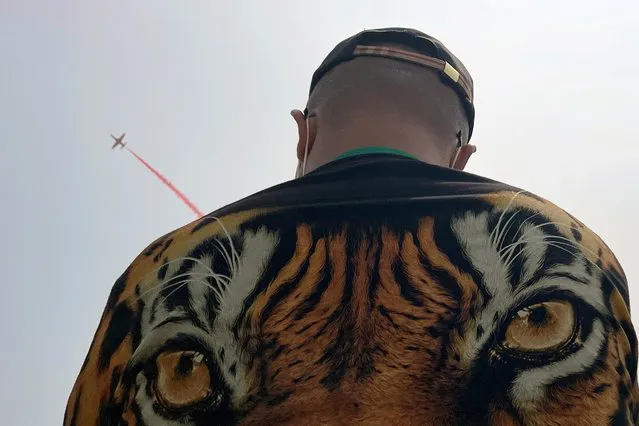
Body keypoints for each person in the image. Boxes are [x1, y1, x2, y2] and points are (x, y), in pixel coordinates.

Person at [65, 28, 638, 425]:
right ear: (463, 157)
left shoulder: (160, 271)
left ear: (302, 133)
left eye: (541, 323)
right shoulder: (574, 251)